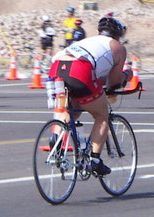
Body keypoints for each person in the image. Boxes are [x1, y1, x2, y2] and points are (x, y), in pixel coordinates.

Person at [47, 17, 133, 175]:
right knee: (101, 115)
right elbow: (113, 82)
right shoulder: (117, 47)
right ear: (118, 33)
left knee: (72, 108)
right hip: (79, 69)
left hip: (57, 67)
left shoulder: (90, 41)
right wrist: (127, 75)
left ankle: (56, 136)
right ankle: (95, 160)